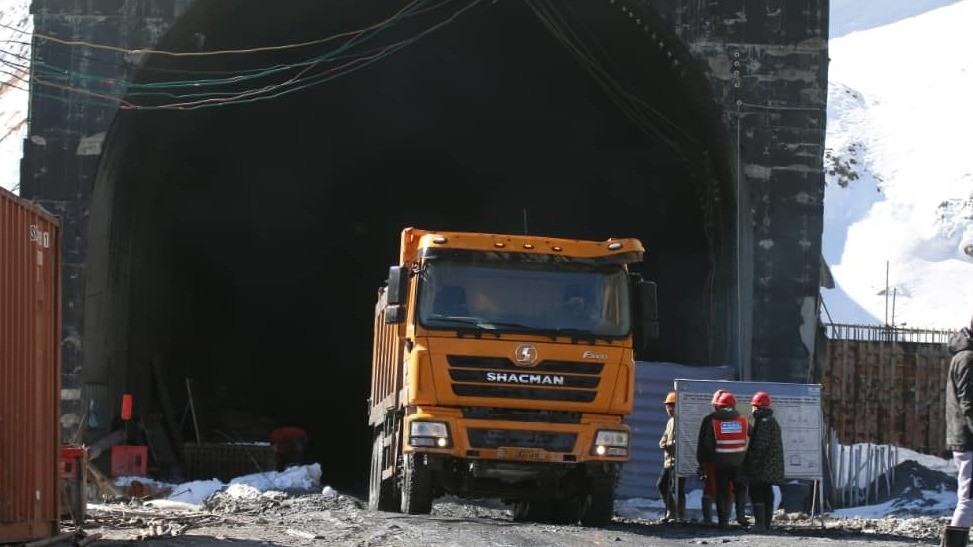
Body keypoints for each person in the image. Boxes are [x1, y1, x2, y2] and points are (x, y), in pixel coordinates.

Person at [697, 390, 749, 528]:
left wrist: (702, 462)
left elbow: (704, 444)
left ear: (717, 405)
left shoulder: (711, 421)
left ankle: (720, 521)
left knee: (716, 490)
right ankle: (739, 517)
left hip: (717, 462)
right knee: (736, 489)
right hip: (738, 462)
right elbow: (752, 435)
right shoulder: (743, 420)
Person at [943, 318, 973, 547]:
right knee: (968, 501)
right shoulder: (967, 358)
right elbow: (969, 404)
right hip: (968, 441)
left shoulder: (963, 356)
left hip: (964, 439)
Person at [742, 391, 784, 531]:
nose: (752, 409)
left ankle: (760, 524)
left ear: (758, 407)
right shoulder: (769, 421)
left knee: (757, 491)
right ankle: (765, 524)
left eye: (753, 406)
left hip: (763, 467)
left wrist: (750, 464)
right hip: (769, 466)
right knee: (766, 492)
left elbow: (760, 446)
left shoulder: (765, 422)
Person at [696, 389, 726, 525]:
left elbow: (702, 443)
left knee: (709, 489)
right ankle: (724, 521)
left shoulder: (708, 420)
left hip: (712, 462)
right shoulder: (739, 420)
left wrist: (701, 462)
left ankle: (708, 520)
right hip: (730, 462)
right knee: (727, 490)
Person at [658, 391, 686, 523]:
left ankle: (680, 515)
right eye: (668, 405)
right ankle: (672, 511)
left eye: (672, 405)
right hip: (669, 461)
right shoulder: (670, 422)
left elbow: (682, 441)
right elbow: (665, 436)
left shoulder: (682, 422)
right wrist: (663, 442)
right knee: (662, 485)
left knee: (678, 489)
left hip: (680, 461)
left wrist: (669, 445)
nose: (669, 408)